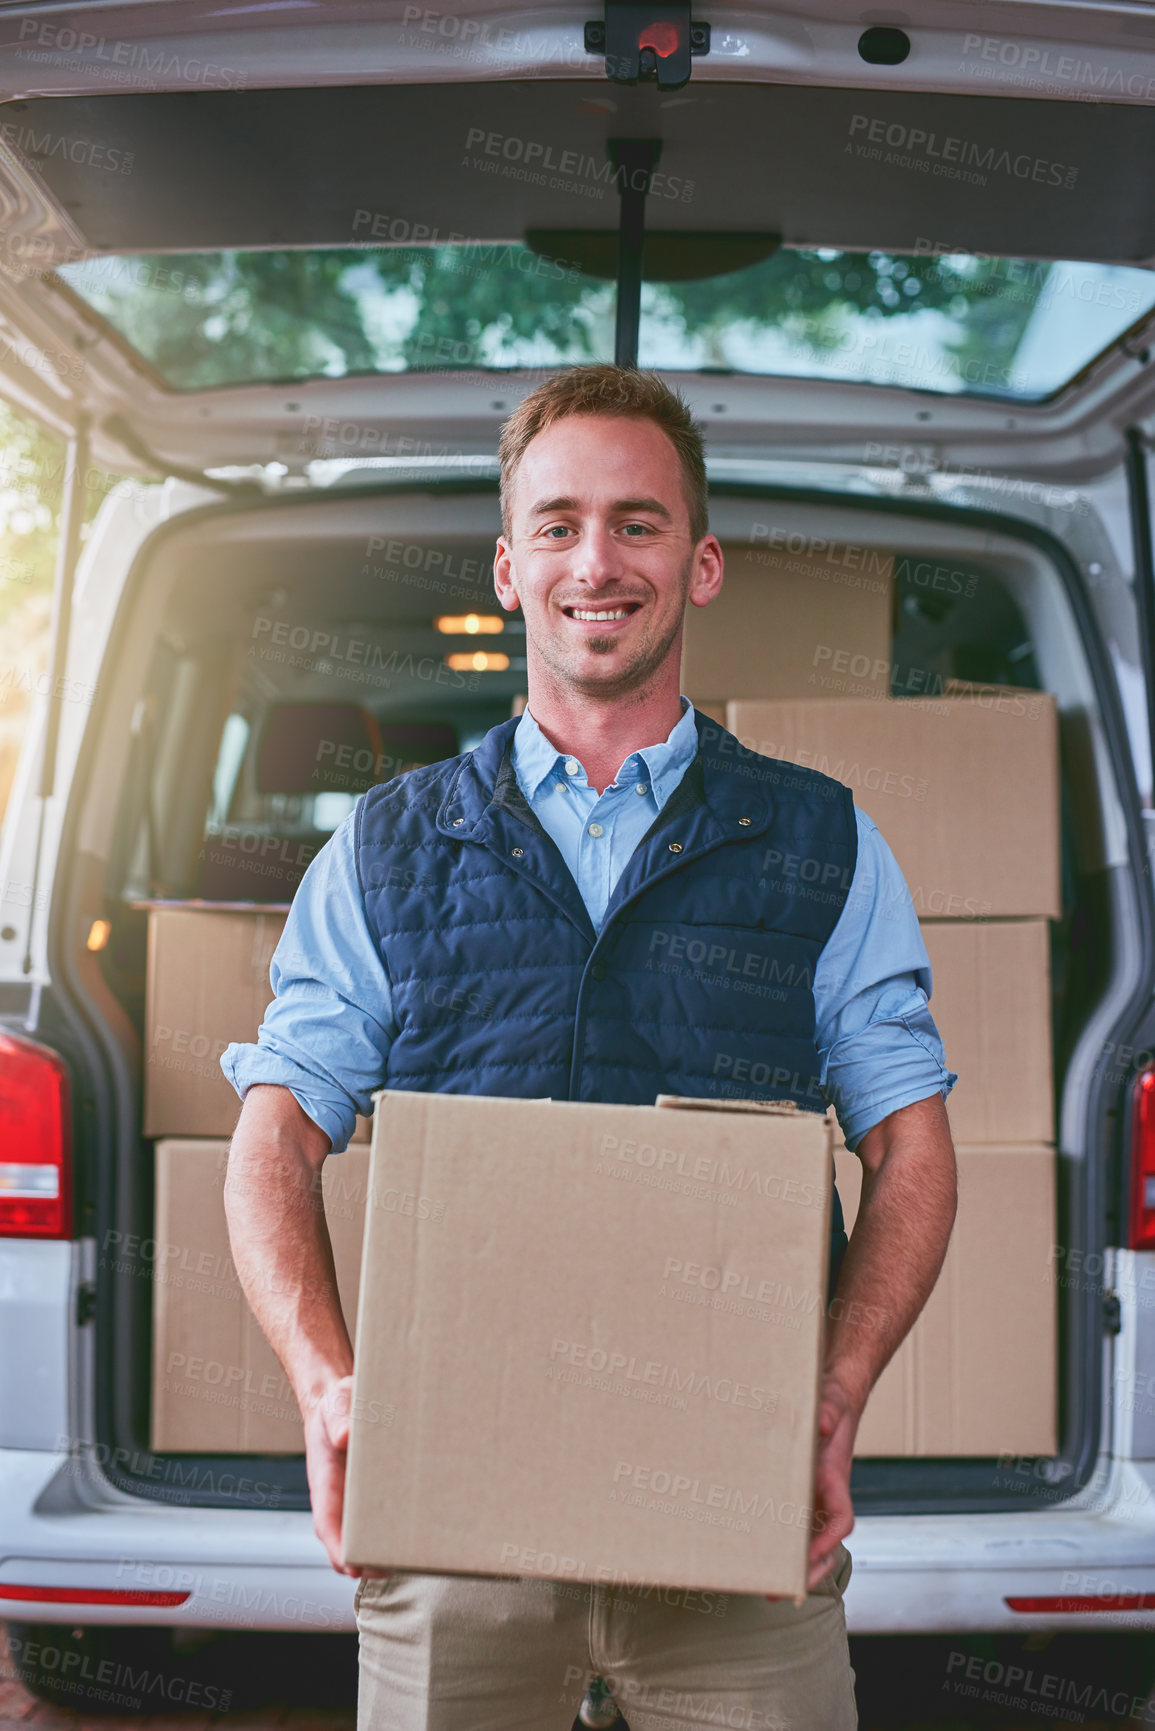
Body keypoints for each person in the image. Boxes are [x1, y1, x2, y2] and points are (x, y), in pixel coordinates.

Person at [222, 364, 958, 1731]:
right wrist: (329, 1386)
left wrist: (838, 1389)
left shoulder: (824, 841)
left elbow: (912, 1137)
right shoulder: (387, 847)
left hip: (742, 1526)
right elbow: (275, 1128)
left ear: (703, 560)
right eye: (556, 525)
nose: (595, 561)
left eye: (638, 521)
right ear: (509, 567)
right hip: (455, 1532)